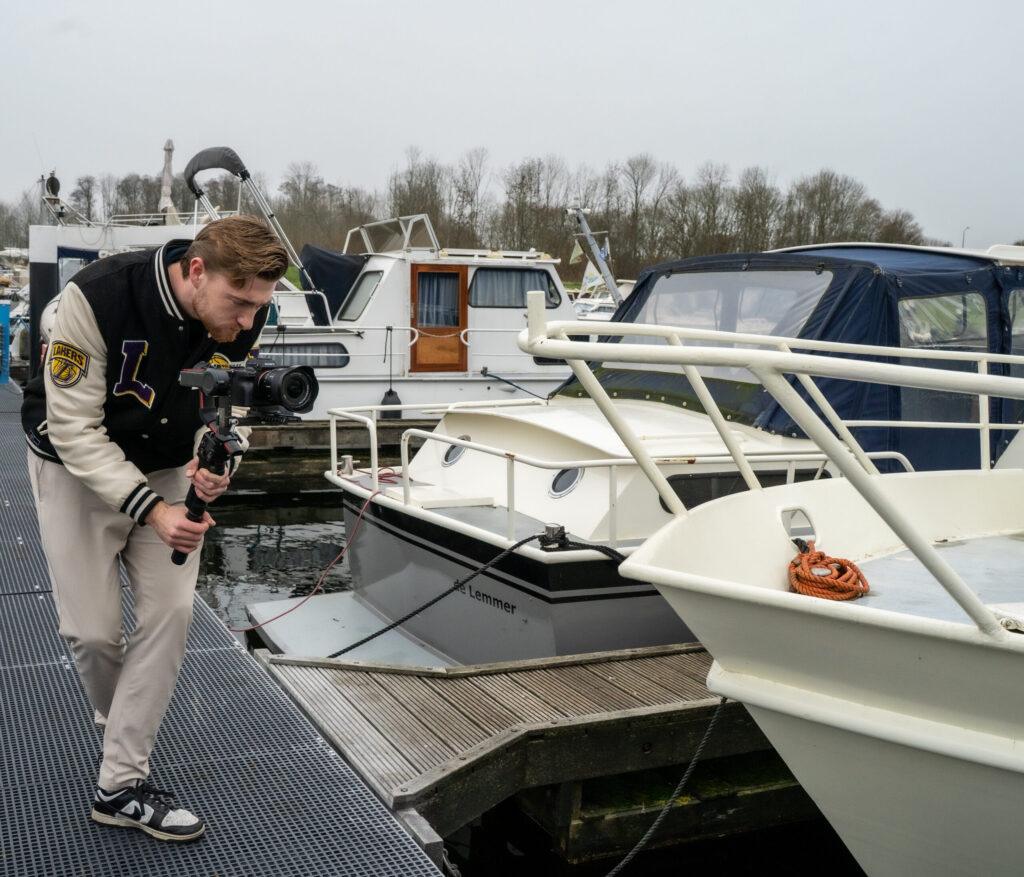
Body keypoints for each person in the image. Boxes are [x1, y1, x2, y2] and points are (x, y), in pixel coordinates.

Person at [22, 215, 287, 842]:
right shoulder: (96, 298)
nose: (248, 321)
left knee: (170, 614)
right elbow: (74, 430)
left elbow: (225, 409)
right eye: (239, 302)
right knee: (91, 634)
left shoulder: (244, 317)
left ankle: (120, 785)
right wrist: (154, 511)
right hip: (76, 467)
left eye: (259, 307)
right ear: (196, 270)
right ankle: (121, 723)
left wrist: (215, 461)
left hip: (167, 467)